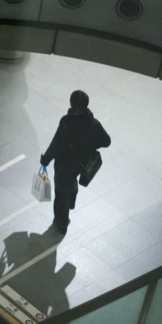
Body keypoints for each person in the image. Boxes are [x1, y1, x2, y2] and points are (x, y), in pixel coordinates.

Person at [40, 89, 111, 233]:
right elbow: (106, 141)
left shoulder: (67, 122)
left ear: (72, 104)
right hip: (80, 164)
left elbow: (56, 144)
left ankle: (62, 222)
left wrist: (46, 159)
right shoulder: (93, 123)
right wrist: (89, 146)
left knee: (61, 194)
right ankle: (71, 200)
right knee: (71, 181)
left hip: (64, 165)